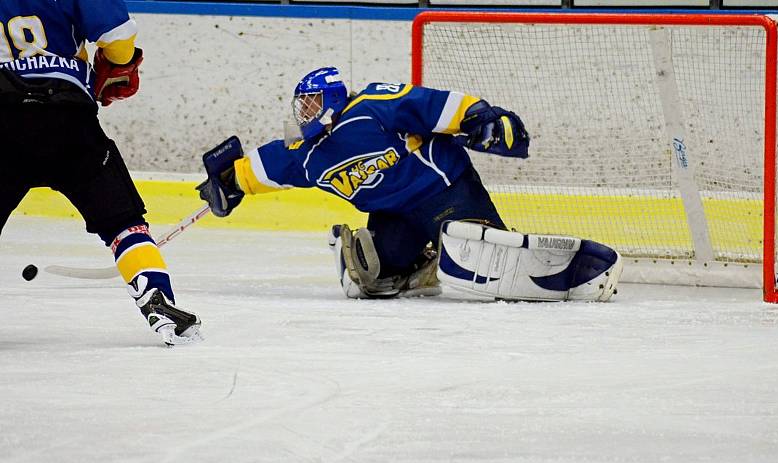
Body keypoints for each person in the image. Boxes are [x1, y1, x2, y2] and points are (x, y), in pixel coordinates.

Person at [197, 67, 622, 302]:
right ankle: (421, 265)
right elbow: (259, 168)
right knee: (371, 274)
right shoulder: (304, 156)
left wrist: (479, 116)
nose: (304, 112)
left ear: (331, 99)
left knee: (473, 248)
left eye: (310, 102)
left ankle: (552, 269)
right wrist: (229, 183)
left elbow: (434, 104)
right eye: (300, 105)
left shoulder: (372, 107)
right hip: (394, 216)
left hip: (446, 192)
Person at [0, 0, 201, 344]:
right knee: (124, 224)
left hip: (3, 120)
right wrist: (116, 64)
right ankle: (158, 297)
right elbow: (119, 38)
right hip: (69, 121)